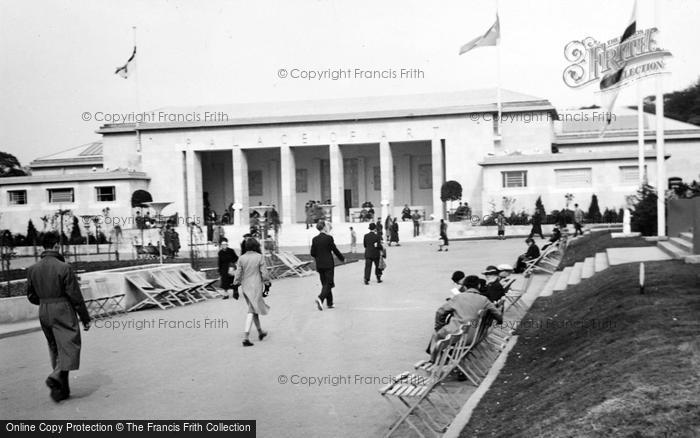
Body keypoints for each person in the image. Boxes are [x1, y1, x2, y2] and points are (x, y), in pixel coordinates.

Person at [26, 232, 91, 402]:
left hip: (44, 309)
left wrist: (45, 302)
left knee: (55, 347)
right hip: (63, 309)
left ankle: (62, 391)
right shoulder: (64, 267)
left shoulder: (33, 269)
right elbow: (75, 296)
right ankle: (55, 376)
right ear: (56, 246)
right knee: (70, 346)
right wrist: (85, 318)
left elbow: (31, 296)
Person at [428, 275, 503, 361]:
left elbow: (440, 312)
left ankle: (433, 360)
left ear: (464, 286)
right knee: (447, 331)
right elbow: (498, 315)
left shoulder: (458, 297)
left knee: (437, 334)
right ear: (478, 286)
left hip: (457, 337)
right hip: (476, 335)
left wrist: (440, 326)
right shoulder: (484, 299)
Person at [233, 238, 271, 347]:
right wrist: (267, 285)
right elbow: (264, 273)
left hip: (245, 286)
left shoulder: (241, 258)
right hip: (256, 286)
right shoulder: (259, 257)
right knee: (252, 309)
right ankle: (246, 337)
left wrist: (235, 286)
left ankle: (260, 332)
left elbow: (238, 274)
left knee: (253, 308)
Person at [310, 220, 345, 311]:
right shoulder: (329, 238)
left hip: (320, 265)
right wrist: (342, 258)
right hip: (328, 264)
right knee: (329, 283)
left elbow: (312, 253)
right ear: (324, 227)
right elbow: (335, 250)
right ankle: (320, 298)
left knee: (325, 283)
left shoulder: (315, 239)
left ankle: (330, 303)